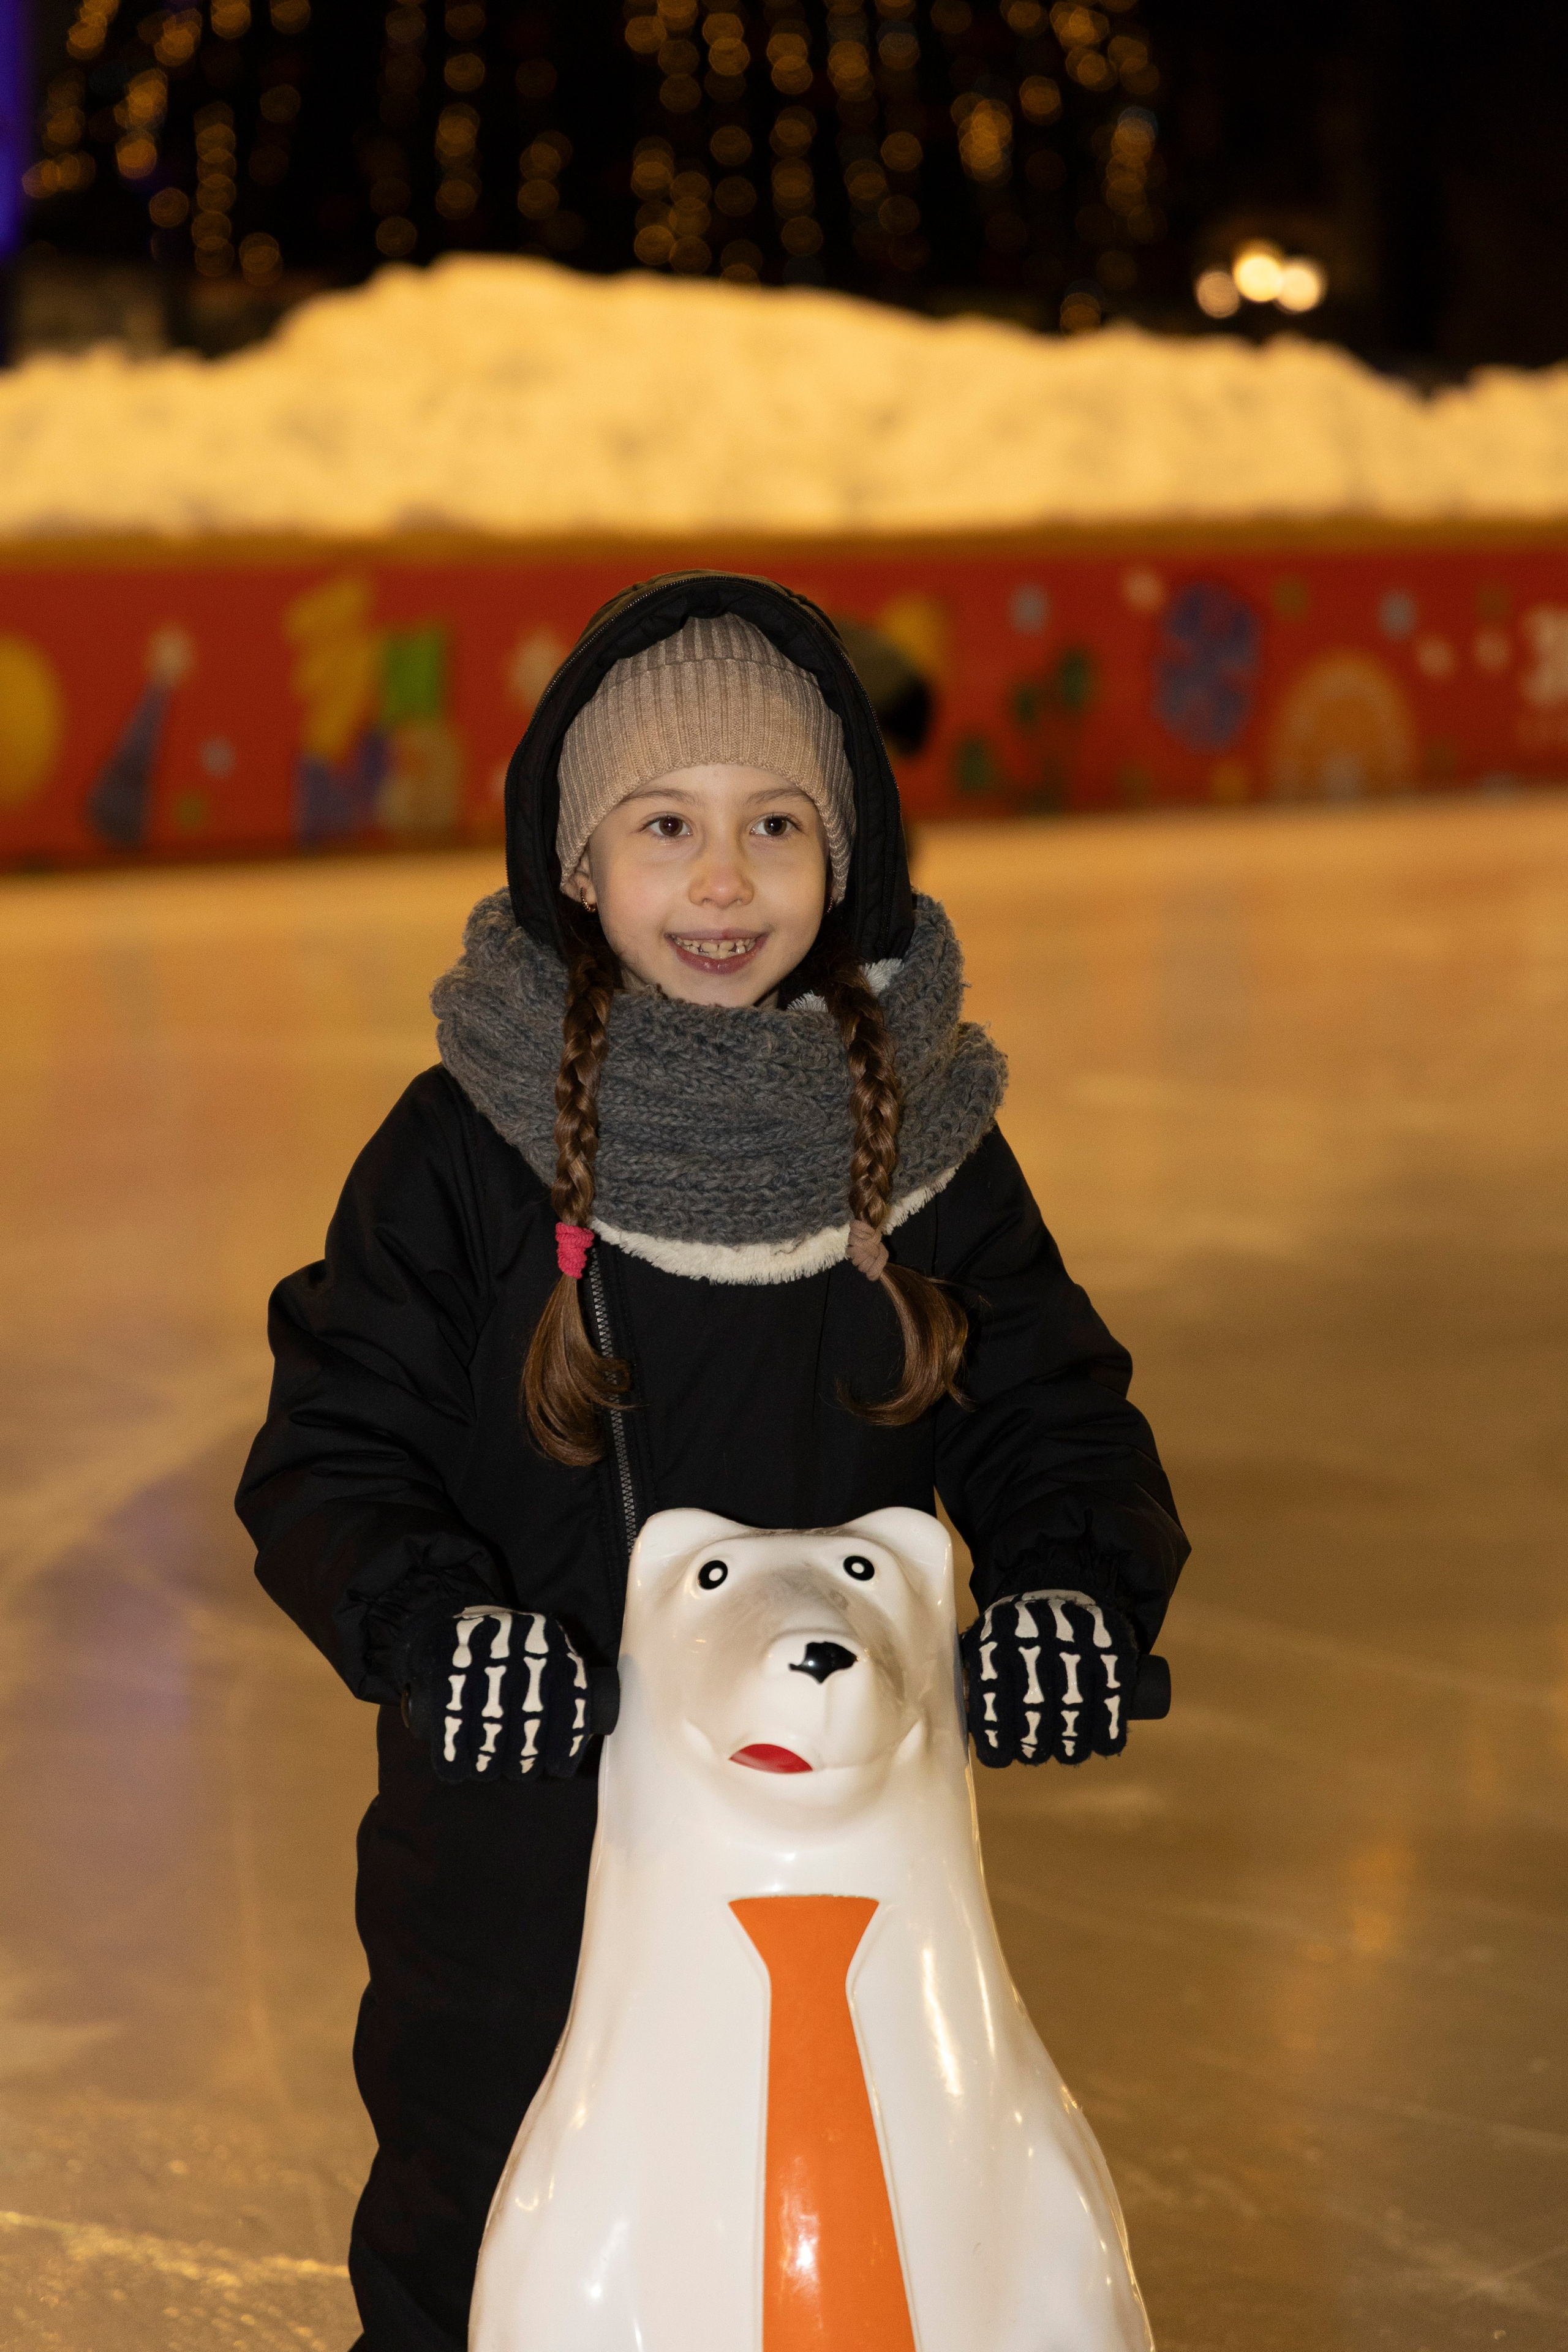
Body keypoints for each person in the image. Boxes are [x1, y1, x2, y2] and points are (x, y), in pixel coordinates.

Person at [236, 573, 1188, 2352]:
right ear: (580, 865)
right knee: (491, 2217)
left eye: (776, 827)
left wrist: (1074, 1590)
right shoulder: (465, 1146)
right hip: (523, 1849)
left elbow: (1062, 1417)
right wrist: (443, 1633)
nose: (726, 880)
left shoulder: (925, 1147)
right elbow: (329, 1445)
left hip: (839, 1845)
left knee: (870, 2220)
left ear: (850, 859)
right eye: (666, 826)